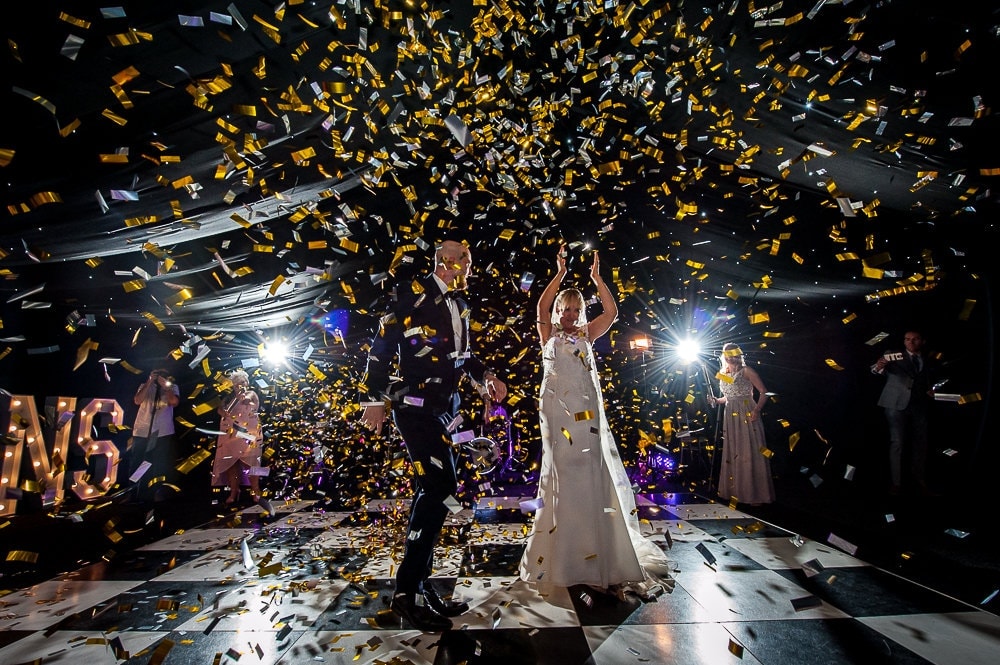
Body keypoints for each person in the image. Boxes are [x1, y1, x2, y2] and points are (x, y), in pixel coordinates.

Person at [359, 239, 508, 632]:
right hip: (414, 407)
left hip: (449, 411)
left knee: (436, 492)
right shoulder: (411, 292)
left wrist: (485, 377)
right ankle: (406, 593)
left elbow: (465, 355)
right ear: (448, 262)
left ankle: (419, 588)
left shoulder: (461, 305)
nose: (470, 268)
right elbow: (382, 343)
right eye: (467, 261)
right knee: (440, 486)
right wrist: (373, 399)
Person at [519, 244, 671, 602]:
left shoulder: (588, 334)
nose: (570, 314)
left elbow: (613, 311)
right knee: (561, 476)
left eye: (576, 309)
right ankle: (564, 553)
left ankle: (594, 553)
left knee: (589, 475)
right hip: (556, 417)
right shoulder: (548, 333)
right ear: (558, 311)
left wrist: (597, 278)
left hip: (587, 418)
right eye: (565, 309)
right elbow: (541, 306)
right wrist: (558, 273)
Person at [709, 343, 775, 506]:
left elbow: (764, 392)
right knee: (735, 451)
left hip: (746, 412)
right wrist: (717, 401)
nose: (731, 358)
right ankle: (735, 492)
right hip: (730, 415)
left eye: (734, 355)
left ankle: (753, 494)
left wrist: (756, 410)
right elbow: (728, 396)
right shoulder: (722, 373)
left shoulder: (746, 371)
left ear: (739, 355)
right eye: (728, 355)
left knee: (748, 450)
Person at [871, 330, 935, 495]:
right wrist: (879, 366)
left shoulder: (927, 359)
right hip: (895, 404)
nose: (911, 342)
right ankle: (896, 483)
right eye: (907, 339)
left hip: (919, 406)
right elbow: (875, 370)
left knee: (921, 443)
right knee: (897, 442)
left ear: (922, 341)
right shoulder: (893, 354)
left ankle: (919, 479)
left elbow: (927, 380)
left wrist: (930, 390)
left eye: (915, 339)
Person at [210, 370, 265, 507]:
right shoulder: (228, 398)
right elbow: (221, 410)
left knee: (252, 462)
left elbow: (248, 401)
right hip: (230, 434)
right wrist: (225, 411)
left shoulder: (251, 394)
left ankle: (256, 490)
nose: (240, 386)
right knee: (231, 463)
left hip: (248, 433)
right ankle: (234, 491)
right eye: (237, 384)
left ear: (247, 383)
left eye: (243, 382)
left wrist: (241, 397)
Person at [129, 368, 180, 501]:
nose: (160, 377)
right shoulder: (145, 386)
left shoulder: (172, 387)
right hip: (142, 431)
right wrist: (150, 381)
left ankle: (157, 493)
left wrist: (166, 386)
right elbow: (137, 400)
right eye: (158, 374)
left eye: (163, 374)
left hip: (162, 432)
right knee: (139, 462)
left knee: (159, 463)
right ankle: (135, 492)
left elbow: (174, 402)